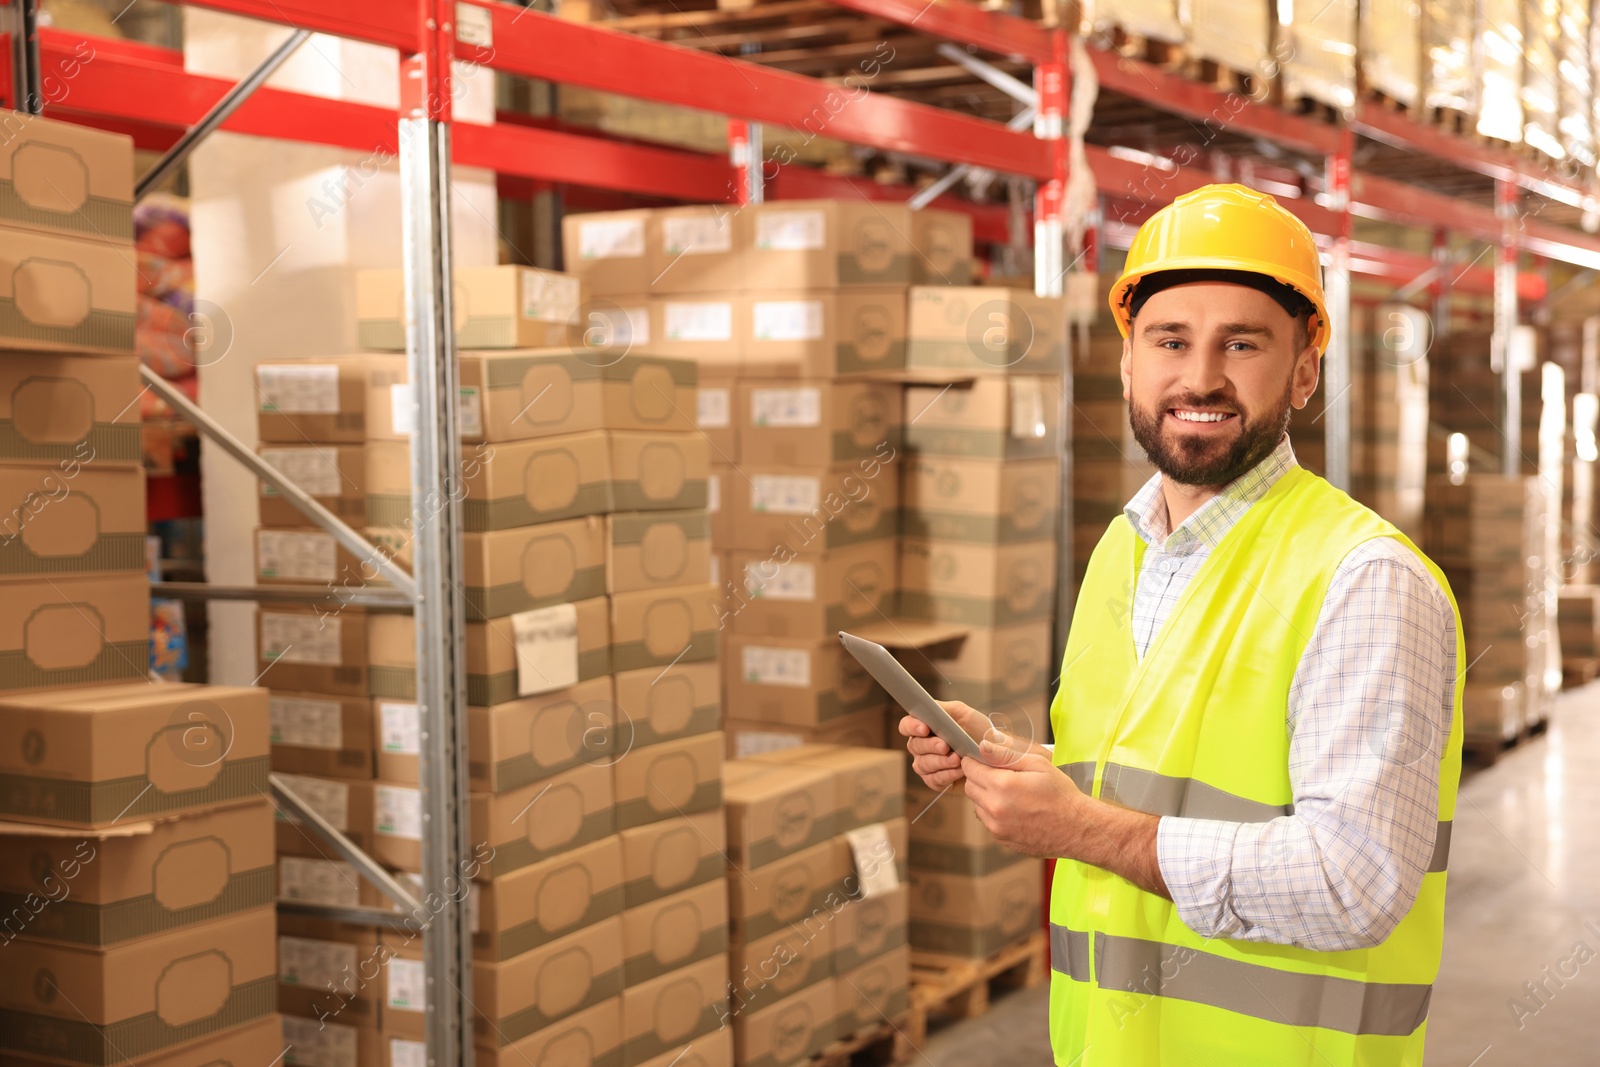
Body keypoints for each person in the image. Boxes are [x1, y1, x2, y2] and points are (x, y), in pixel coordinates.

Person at [901, 184, 1462, 1066]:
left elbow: (1354, 880)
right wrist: (1018, 766)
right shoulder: (1122, 555)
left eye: (1242, 343)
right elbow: (1159, 778)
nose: (1200, 376)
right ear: (1127, 363)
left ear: (1305, 370)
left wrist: (1078, 830)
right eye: (1170, 341)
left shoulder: (1363, 580)